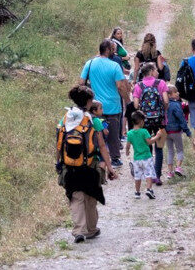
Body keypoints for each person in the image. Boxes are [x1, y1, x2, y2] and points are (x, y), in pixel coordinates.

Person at [57, 85, 118, 242]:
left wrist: (59, 162)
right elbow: (102, 146)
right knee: (91, 197)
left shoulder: (65, 118)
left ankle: (79, 230)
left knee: (76, 197)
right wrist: (109, 167)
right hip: (90, 164)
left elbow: (59, 142)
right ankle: (91, 229)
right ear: (89, 101)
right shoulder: (93, 121)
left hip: (69, 165)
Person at [79, 39, 131, 167]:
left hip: (95, 107)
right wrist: (127, 100)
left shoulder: (89, 64)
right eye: (113, 49)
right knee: (113, 134)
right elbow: (120, 86)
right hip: (113, 106)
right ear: (108, 50)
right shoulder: (114, 66)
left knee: (96, 133)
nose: (114, 51)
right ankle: (114, 158)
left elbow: (81, 83)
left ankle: (96, 157)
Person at [133, 62, 169, 185]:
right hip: (160, 120)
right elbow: (165, 101)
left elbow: (136, 105)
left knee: (147, 148)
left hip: (145, 121)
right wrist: (163, 110)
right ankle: (157, 176)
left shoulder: (138, 86)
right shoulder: (161, 83)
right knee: (159, 148)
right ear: (151, 71)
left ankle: (148, 174)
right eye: (156, 69)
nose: (158, 71)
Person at [125, 111, 165, 200]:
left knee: (137, 176)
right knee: (149, 174)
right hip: (146, 157)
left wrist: (127, 151)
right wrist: (157, 136)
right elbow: (149, 142)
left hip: (136, 159)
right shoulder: (144, 131)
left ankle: (137, 192)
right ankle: (149, 189)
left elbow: (128, 145)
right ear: (141, 121)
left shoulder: (130, 133)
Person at [164, 85, 191, 178]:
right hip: (176, 131)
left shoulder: (164, 105)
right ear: (170, 95)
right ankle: (178, 167)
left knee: (170, 151)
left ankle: (170, 172)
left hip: (166, 131)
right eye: (175, 92)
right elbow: (181, 118)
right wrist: (187, 131)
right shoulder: (176, 105)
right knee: (180, 149)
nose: (178, 93)